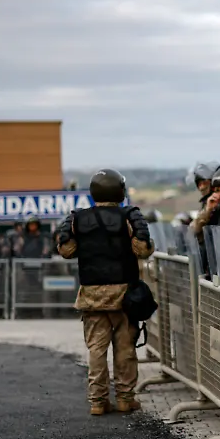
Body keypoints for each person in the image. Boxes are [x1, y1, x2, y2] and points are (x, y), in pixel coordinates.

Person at [56, 169, 153, 416]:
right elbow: (142, 250)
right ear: (120, 190)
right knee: (125, 349)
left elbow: (66, 250)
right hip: (124, 296)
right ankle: (124, 398)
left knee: (96, 351)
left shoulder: (77, 219)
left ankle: (98, 402)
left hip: (91, 296)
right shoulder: (129, 216)